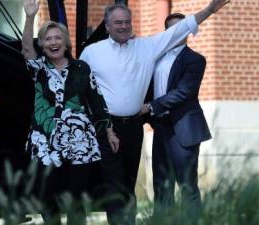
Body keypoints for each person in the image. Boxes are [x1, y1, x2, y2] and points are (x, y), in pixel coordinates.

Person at [79, 0, 229, 224]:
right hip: (107, 127)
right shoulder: (92, 52)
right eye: (118, 22)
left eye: (127, 22)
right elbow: (80, 88)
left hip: (137, 127)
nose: (123, 26)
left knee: (131, 182)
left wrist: (208, 10)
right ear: (107, 26)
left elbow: (181, 29)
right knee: (113, 182)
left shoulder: (147, 47)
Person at [21, 0, 120, 224]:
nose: (53, 42)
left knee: (76, 200)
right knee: (48, 200)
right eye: (47, 39)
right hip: (46, 144)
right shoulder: (39, 69)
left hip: (78, 141)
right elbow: (27, 48)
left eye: (57, 38)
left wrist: (110, 131)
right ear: (43, 44)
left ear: (65, 42)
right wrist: (29, 17)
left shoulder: (81, 68)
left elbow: (97, 101)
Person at [140, 13, 211, 218]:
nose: (177, 32)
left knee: (187, 184)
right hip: (160, 126)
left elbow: (183, 92)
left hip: (183, 128)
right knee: (161, 183)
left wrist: (151, 106)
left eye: (181, 28)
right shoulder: (155, 58)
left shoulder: (195, 60)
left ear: (188, 31)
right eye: (172, 29)